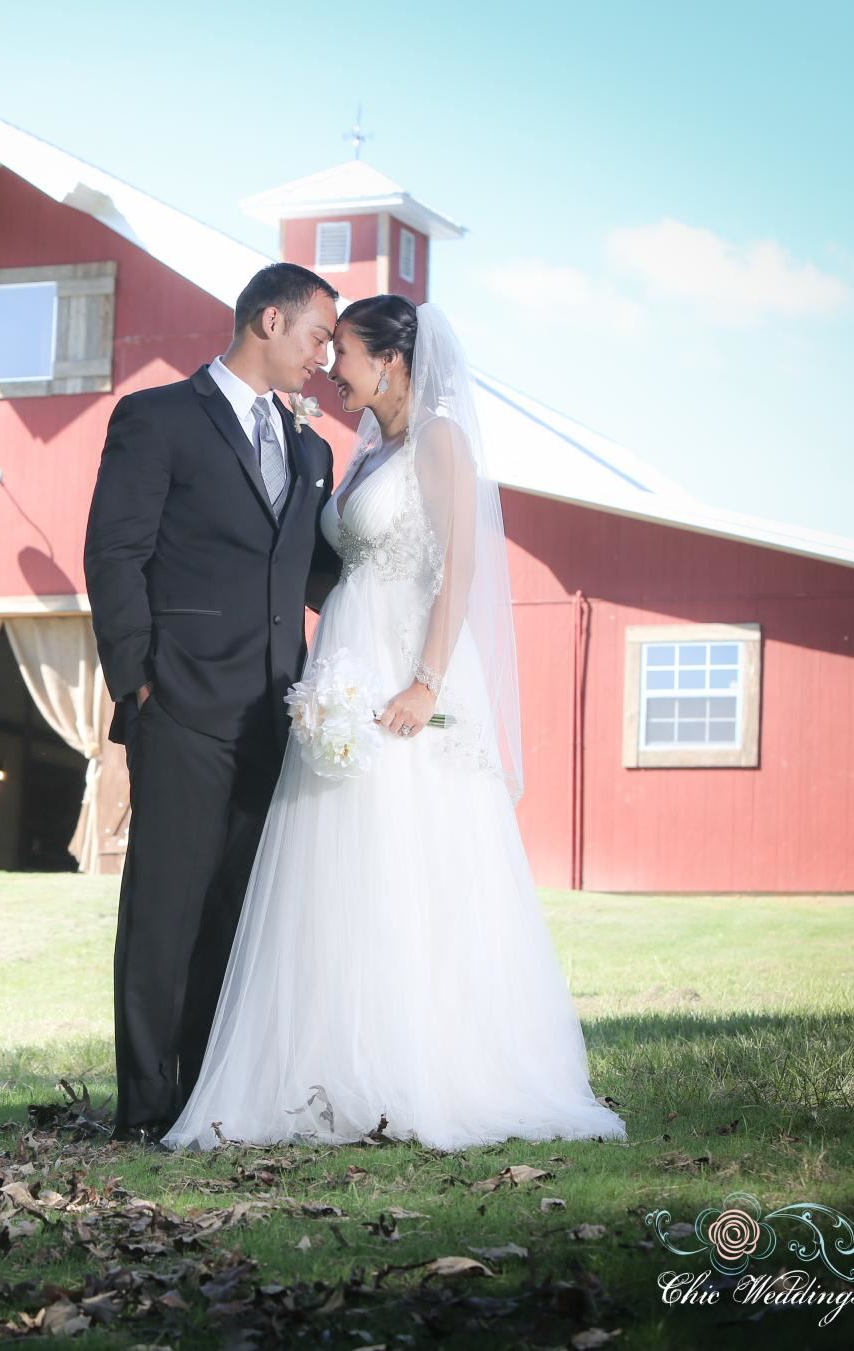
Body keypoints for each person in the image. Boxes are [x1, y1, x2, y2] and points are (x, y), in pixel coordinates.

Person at [160, 296, 626, 1152]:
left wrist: (424, 681)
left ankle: (427, 1065)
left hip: (402, 676)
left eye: (343, 351)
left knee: (408, 858)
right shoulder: (367, 450)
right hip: (342, 670)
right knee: (334, 865)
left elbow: (460, 571)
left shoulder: (440, 440)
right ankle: (329, 1066)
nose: (331, 366)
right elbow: (335, 563)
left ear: (392, 361)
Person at [84, 262, 343, 1143]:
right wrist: (136, 682)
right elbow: (113, 554)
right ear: (269, 320)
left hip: (278, 713)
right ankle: (149, 1106)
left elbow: (315, 573)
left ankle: (211, 1094)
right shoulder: (155, 418)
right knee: (166, 908)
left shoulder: (312, 451)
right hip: (181, 705)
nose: (325, 357)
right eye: (318, 337)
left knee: (240, 908)